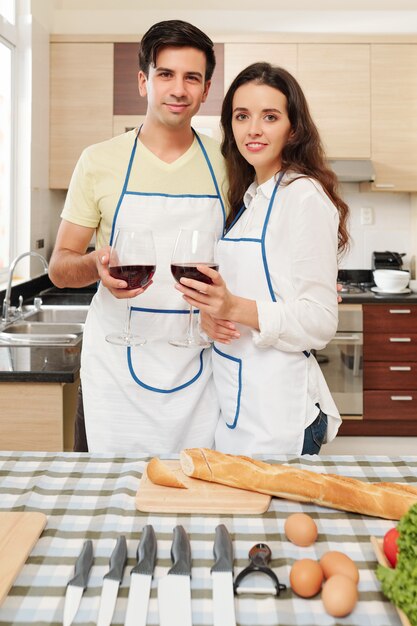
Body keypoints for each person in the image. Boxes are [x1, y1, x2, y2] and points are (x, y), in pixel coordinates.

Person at [48, 20, 227, 453]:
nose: (178, 89)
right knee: (105, 500)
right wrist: (94, 265)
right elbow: (59, 267)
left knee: (198, 500)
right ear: (144, 81)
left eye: (192, 77)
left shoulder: (229, 164)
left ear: (206, 90)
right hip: (114, 371)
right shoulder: (98, 161)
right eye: (166, 74)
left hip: (199, 366)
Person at [174, 62, 349, 455]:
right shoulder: (251, 198)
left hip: (279, 413)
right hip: (241, 406)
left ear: (293, 128)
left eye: (269, 116)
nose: (253, 129)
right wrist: (214, 313)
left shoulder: (303, 197)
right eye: (241, 116)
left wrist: (234, 306)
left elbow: (320, 322)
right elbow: (250, 294)